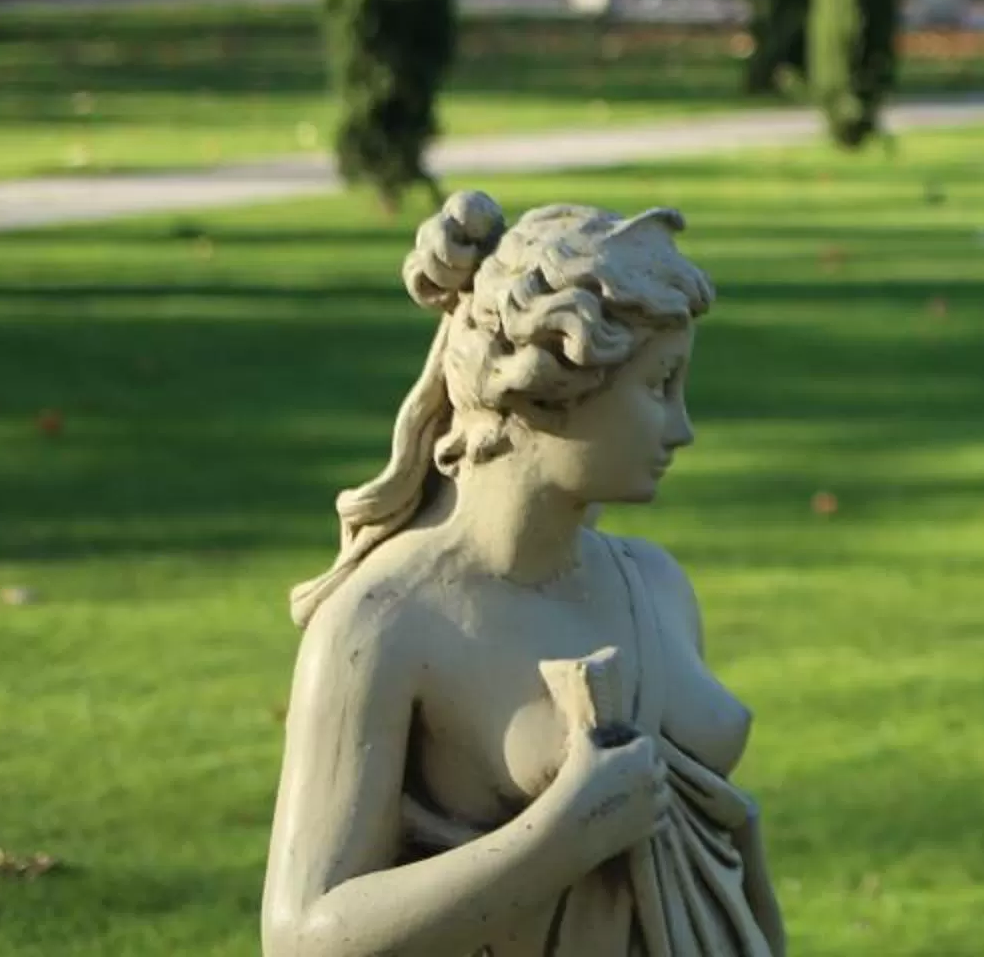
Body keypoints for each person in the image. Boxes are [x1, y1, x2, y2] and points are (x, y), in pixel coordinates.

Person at [263, 191, 785, 955]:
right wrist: (559, 837)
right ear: (546, 388)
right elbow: (303, 938)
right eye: (658, 386)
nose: (683, 426)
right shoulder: (386, 624)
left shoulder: (656, 583)